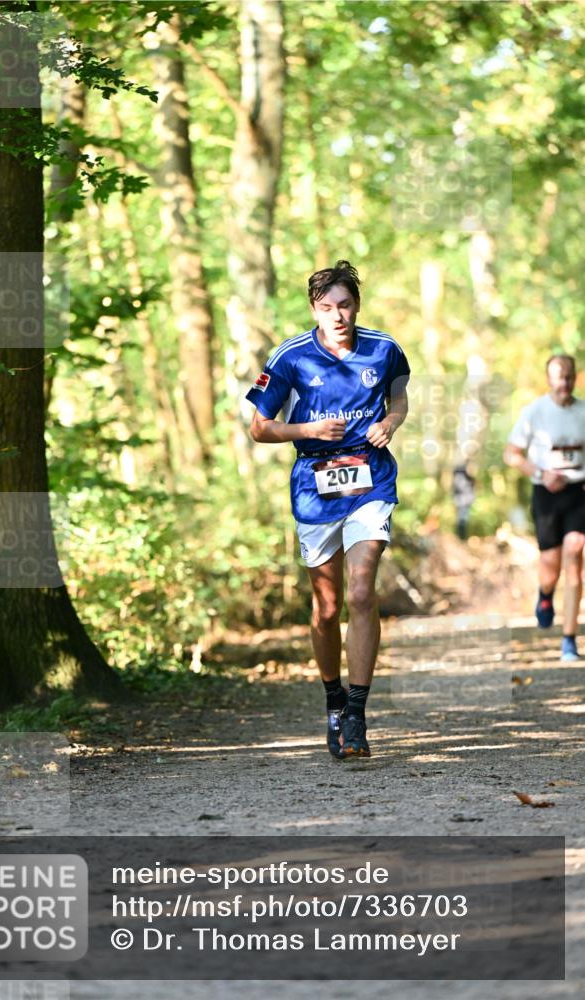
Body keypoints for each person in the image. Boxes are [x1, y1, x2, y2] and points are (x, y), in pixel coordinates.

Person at [246, 261, 410, 759]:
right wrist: (308, 431)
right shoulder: (292, 357)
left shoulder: (384, 349)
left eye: (344, 305)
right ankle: (334, 699)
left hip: (370, 481)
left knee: (362, 591)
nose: (336, 315)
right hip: (315, 488)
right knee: (328, 606)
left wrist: (391, 423)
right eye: (326, 307)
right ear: (314, 310)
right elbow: (258, 427)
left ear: (356, 305)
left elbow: (399, 400)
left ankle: (357, 716)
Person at [503, 355, 585, 662]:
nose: (563, 383)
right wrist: (541, 474)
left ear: (575, 378)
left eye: (568, 377)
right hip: (546, 495)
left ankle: (568, 640)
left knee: (576, 550)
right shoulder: (534, 412)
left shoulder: (583, 411)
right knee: (551, 566)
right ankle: (546, 594)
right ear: (549, 379)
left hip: (579, 491)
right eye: (558, 378)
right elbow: (511, 454)